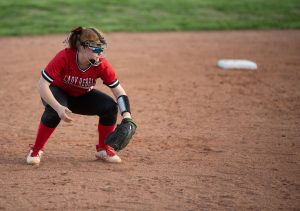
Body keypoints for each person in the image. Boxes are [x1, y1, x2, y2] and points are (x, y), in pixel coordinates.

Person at [26, 26, 134, 165]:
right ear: (82, 47)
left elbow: (119, 91)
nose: (100, 53)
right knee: (53, 110)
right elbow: (42, 85)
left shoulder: (101, 65)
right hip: (56, 92)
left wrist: (127, 116)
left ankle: (103, 149)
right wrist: (58, 107)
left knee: (110, 107)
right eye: (96, 48)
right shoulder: (64, 57)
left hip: (81, 95)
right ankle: (36, 149)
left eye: (102, 48)